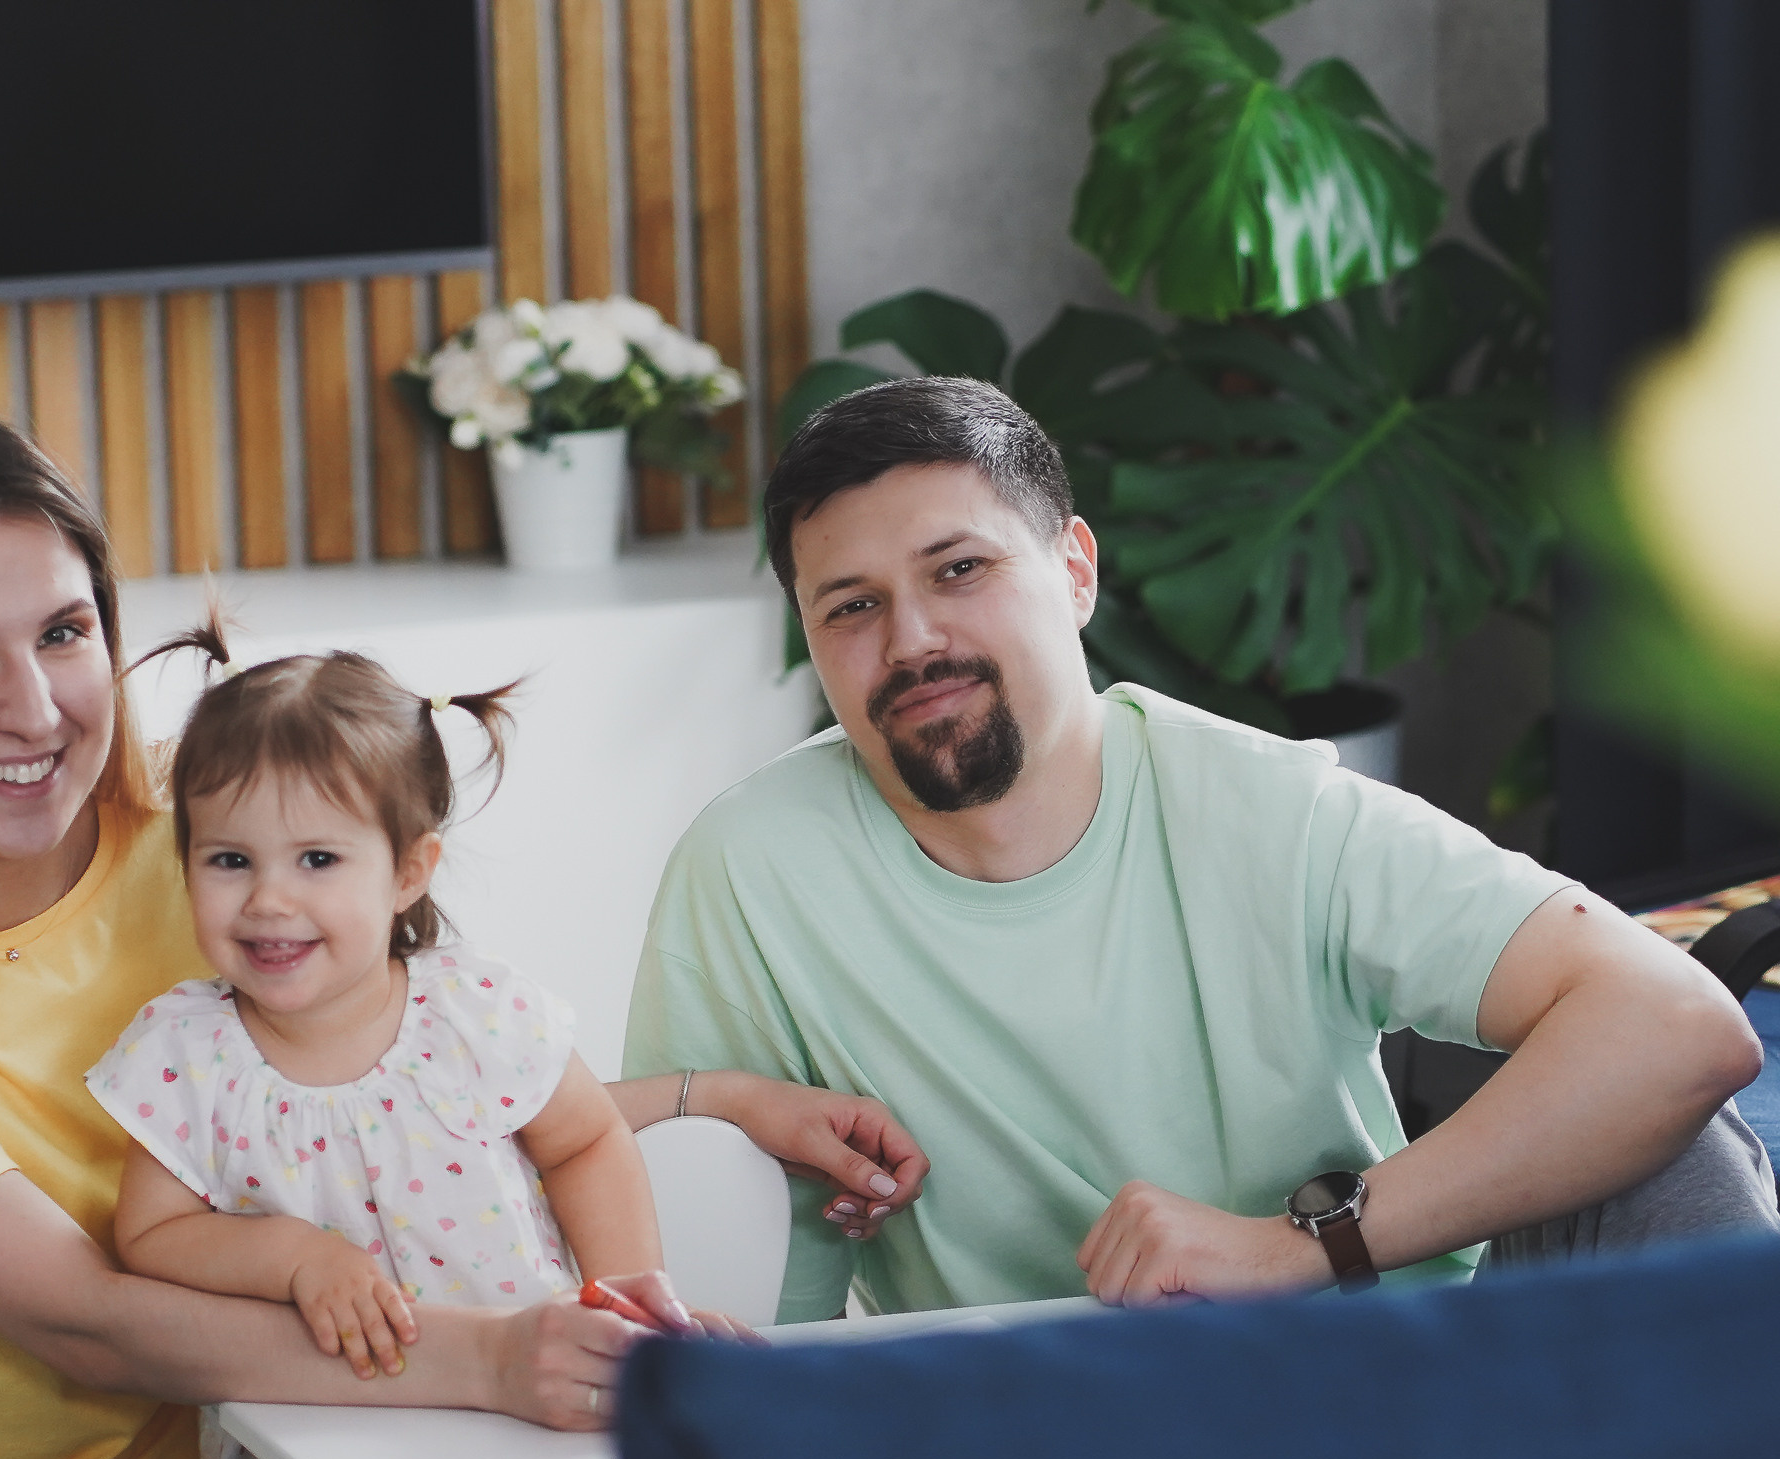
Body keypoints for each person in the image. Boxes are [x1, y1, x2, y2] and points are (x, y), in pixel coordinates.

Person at [0, 412, 704, 1459]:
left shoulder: (225, 839)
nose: (34, 708)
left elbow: (419, 1100)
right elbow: (85, 1323)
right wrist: (492, 1361)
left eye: (63, 632)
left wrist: (712, 1101)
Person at [621, 375, 1778, 1322]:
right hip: (1058, 1445)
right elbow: (741, 1303)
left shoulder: (1269, 806)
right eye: (851, 607)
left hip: (1389, 1370)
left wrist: (1295, 1247)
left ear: (1074, 570)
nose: (913, 639)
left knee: (1681, 1156)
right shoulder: (752, 870)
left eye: (958, 569)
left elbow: (1680, 1028)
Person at [87, 618, 751, 1459]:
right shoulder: (185, 1052)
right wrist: (294, 1255)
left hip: (522, 1419)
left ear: (407, 871)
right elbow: (150, 1232)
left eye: (317, 860)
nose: (269, 900)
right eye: (230, 860)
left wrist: (622, 1297)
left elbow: (588, 1140)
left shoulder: (476, 1014)